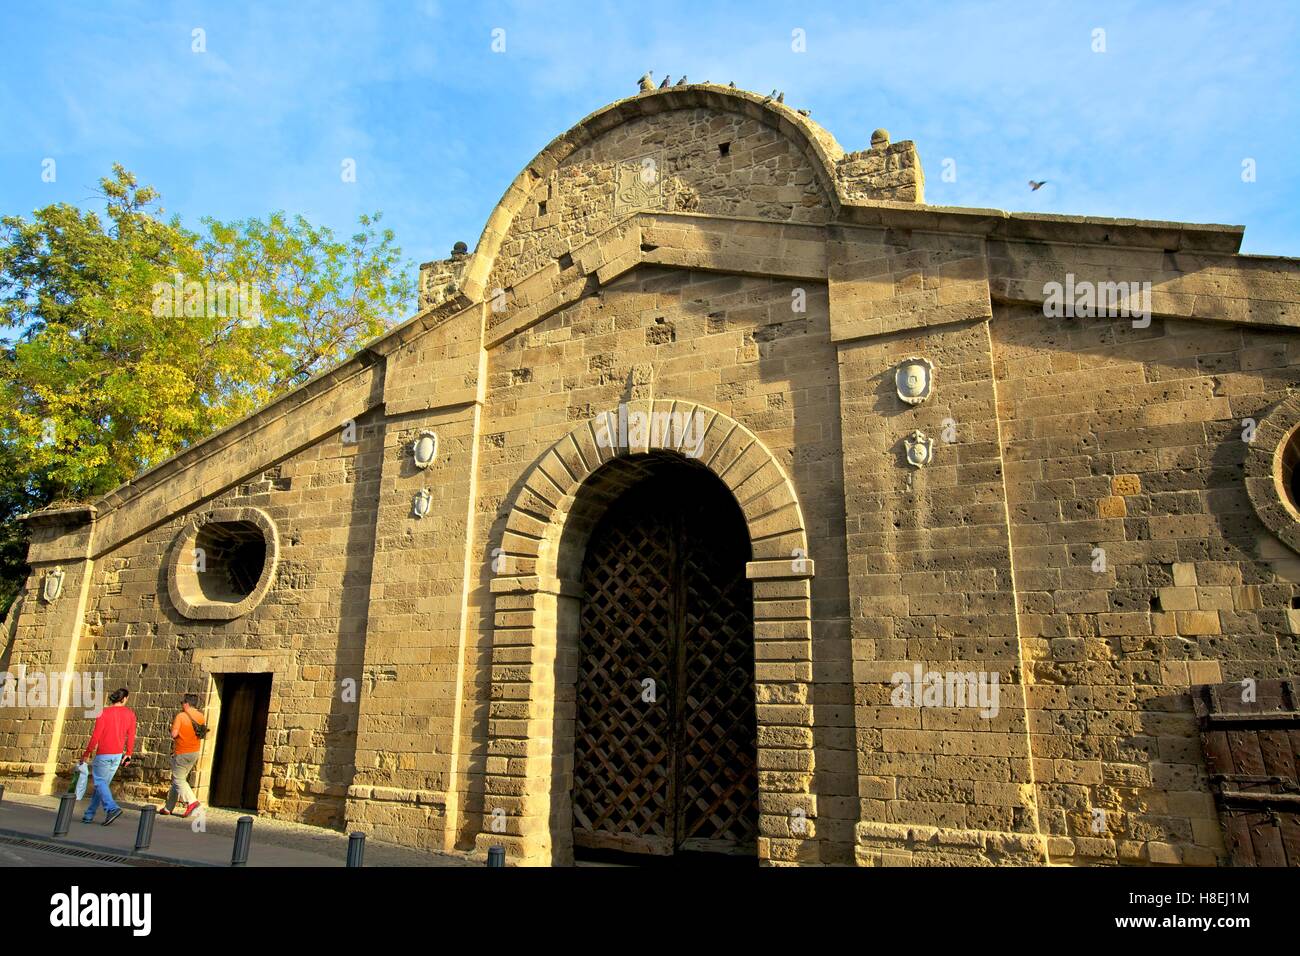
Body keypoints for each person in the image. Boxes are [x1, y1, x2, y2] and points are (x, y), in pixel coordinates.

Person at [80, 687, 136, 826]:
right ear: (124, 699)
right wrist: (128, 753)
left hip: (104, 753)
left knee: (100, 783)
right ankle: (89, 814)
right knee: (102, 785)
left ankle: (112, 808)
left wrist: (86, 753)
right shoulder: (130, 714)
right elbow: (131, 736)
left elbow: (95, 736)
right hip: (117, 755)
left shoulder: (104, 713)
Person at [161, 693, 205, 818]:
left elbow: (174, 734)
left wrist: (172, 728)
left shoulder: (181, 716)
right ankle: (168, 808)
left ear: (186, 703)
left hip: (182, 752)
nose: (181, 705)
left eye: (182, 703)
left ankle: (192, 802)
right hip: (194, 752)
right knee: (179, 779)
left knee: (178, 779)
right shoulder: (201, 716)